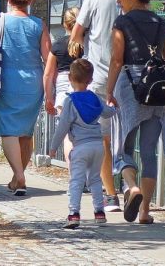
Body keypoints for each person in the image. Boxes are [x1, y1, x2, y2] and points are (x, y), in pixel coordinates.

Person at [106, 0, 165, 224]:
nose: (119, 1)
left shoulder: (122, 22)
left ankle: (131, 186)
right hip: (158, 90)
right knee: (149, 152)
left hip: (131, 87)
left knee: (124, 148)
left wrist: (108, 91)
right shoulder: (161, 22)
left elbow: (117, 59)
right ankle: (145, 211)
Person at [68, 0, 139, 212]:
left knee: (104, 138)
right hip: (133, 79)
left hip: (100, 76)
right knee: (130, 137)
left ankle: (111, 195)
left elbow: (76, 33)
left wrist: (77, 47)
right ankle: (131, 185)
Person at [0, 0, 51, 195]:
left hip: (5, 81)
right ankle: (17, 177)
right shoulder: (38, 24)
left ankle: (19, 176)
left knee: (8, 131)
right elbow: (48, 58)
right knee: (25, 133)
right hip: (33, 82)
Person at [49, 58, 116, 228]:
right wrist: (114, 106)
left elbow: (63, 127)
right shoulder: (94, 98)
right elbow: (108, 113)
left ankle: (73, 214)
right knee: (95, 179)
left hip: (80, 146)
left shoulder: (70, 102)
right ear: (91, 80)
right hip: (97, 146)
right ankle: (99, 213)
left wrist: (52, 147)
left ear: (70, 77)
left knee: (77, 180)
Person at [44, 6, 81, 159]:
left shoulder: (58, 45)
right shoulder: (87, 44)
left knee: (67, 134)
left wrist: (49, 97)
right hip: (84, 85)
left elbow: (48, 74)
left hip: (63, 87)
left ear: (65, 25)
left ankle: (73, 172)